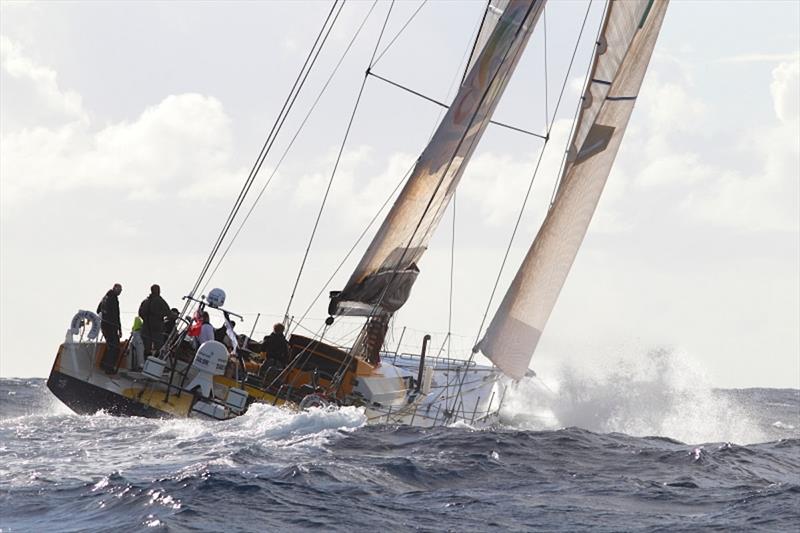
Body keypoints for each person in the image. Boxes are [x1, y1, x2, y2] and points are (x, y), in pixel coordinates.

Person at [97, 283, 122, 374]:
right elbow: (116, 315)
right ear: (115, 289)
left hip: (104, 325)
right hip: (111, 326)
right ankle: (109, 368)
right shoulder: (113, 299)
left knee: (110, 345)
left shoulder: (105, 297)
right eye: (119, 290)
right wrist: (119, 328)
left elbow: (98, 310)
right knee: (115, 347)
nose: (120, 292)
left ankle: (103, 364)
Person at [139, 284, 170, 357]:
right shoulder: (160, 301)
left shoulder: (145, 301)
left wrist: (146, 319)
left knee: (147, 348)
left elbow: (140, 313)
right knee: (158, 347)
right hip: (156, 328)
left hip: (146, 327)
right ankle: (153, 364)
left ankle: (146, 362)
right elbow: (167, 312)